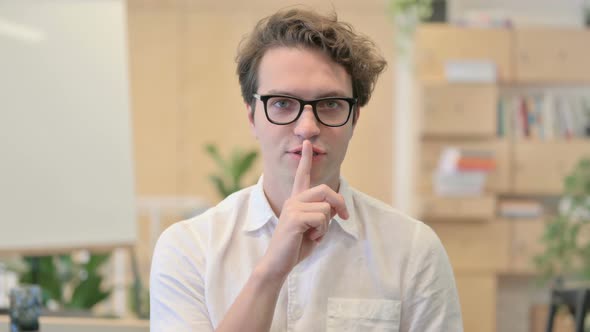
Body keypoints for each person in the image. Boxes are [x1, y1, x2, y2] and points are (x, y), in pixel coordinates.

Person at [150, 7, 463, 332]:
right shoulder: (189, 248)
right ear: (251, 117)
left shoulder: (412, 250)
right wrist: (270, 271)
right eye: (283, 103)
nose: (308, 127)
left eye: (330, 104)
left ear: (354, 119)